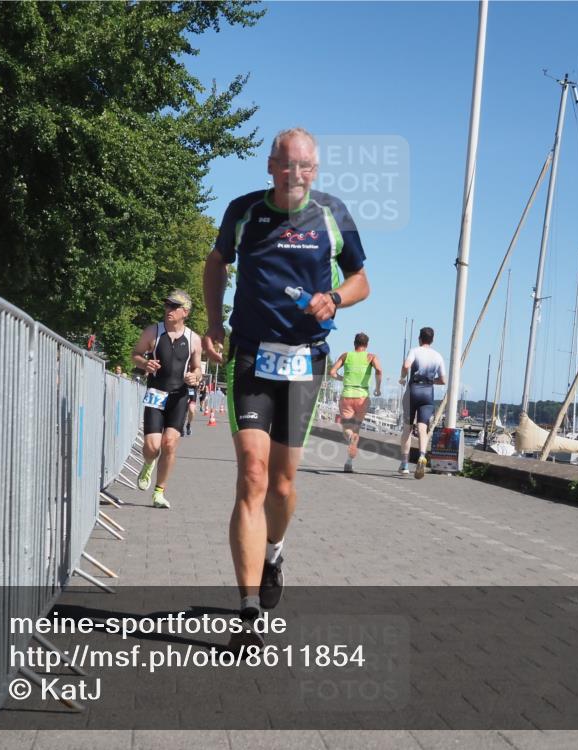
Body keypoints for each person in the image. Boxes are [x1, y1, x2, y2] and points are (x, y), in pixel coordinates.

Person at [202, 126, 369, 624]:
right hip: (251, 355)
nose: (297, 174)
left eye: (307, 166)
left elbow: (362, 279)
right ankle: (248, 609)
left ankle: (274, 550)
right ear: (271, 166)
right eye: (288, 164)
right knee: (251, 474)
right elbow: (216, 264)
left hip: (304, 360)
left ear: (315, 171)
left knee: (281, 484)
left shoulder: (332, 214)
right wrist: (213, 323)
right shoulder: (244, 211)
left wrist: (335, 298)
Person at [131, 290, 202, 509]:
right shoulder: (153, 331)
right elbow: (135, 353)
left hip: (178, 396)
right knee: (152, 447)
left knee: (169, 444)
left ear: (185, 312)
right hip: (155, 393)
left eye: (174, 307)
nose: (168, 310)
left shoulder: (193, 339)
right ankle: (148, 463)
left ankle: (159, 492)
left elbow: (197, 368)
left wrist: (195, 376)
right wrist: (145, 364)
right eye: (167, 305)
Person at [328, 332, 382, 472]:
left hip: (347, 395)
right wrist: (377, 388)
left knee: (347, 428)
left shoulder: (346, 355)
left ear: (354, 343)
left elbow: (332, 372)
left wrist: (342, 379)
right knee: (356, 427)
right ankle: (349, 463)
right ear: (367, 345)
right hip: (362, 396)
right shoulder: (371, 357)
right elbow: (379, 370)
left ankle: (350, 438)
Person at [399, 327, 446, 479]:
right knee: (422, 428)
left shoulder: (415, 351)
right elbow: (443, 380)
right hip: (428, 392)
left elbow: (406, 366)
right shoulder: (438, 356)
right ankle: (421, 456)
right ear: (432, 340)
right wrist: (432, 380)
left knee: (407, 428)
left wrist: (402, 376)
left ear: (420, 338)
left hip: (413, 390)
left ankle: (405, 465)